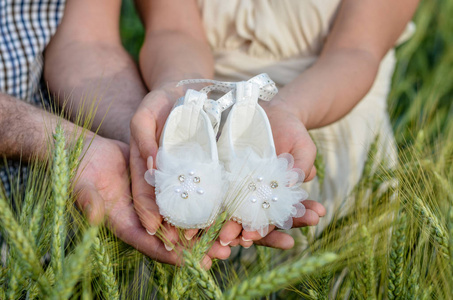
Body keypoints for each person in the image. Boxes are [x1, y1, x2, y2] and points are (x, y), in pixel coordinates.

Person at [0, 0, 326, 268]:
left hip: (30, 210)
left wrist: (147, 135)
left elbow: (86, 42)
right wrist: (57, 142)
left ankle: (191, 133)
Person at [129, 0, 418, 248]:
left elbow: (357, 50)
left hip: (332, 129)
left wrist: (288, 109)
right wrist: (178, 94)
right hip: (204, 111)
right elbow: (174, 31)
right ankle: (194, 126)